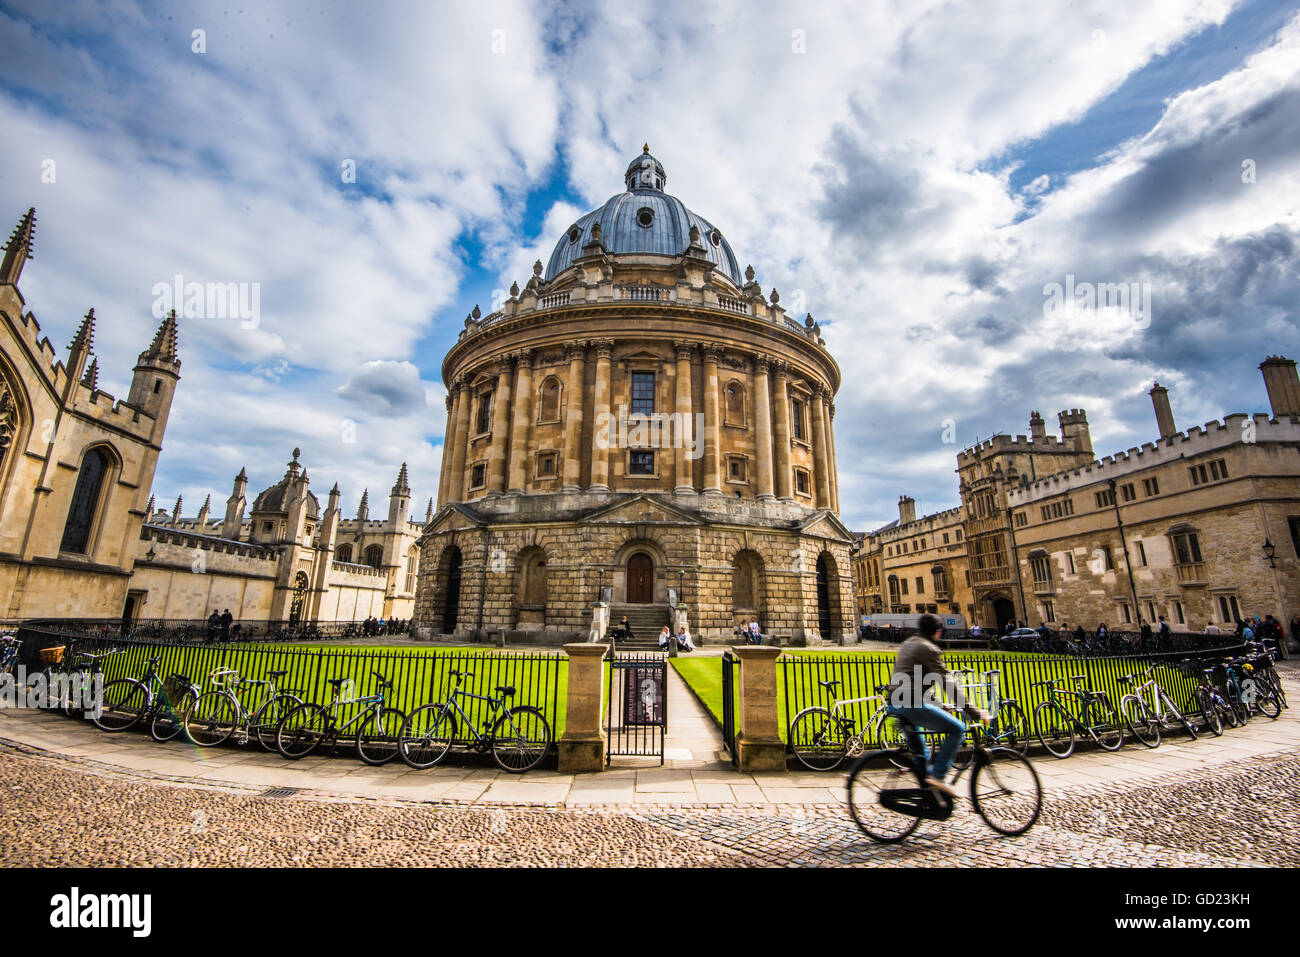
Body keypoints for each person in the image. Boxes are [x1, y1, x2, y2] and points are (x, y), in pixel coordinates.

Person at [886, 614, 988, 798]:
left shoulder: (910, 643)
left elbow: (914, 680)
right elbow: (948, 684)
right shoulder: (929, 648)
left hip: (895, 703)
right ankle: (938, 778)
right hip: (910, 704)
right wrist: (974, 711)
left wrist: (939, 705)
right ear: (938, 632)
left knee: (922, 754)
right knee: (957, 728)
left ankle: (927, 793)